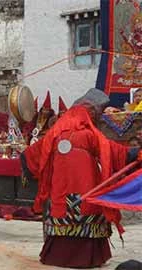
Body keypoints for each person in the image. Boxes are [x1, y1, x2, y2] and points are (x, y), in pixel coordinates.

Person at [21, 88, 139, 268]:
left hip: (60, 186)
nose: (98, 118)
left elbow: (31, 155)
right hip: (85, 182)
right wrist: (135, 154)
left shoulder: (56, 133)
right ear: (90, 112)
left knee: (63, 207)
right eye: (97, 113)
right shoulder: (89, 134)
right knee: (86, 208)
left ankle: (58, 256)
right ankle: (86, 257)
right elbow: (114, 152)